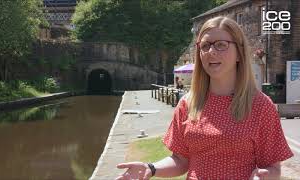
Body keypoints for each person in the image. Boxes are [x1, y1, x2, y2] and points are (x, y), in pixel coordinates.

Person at [116, 16, 293, 180]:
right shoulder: (188, 103)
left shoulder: (260, 105)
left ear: (239, 53)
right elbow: (180, 160)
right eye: (205, 45)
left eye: (221, 45)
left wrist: (265, 175)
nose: (211, 51)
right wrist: (151, 168)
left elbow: (273, 167)